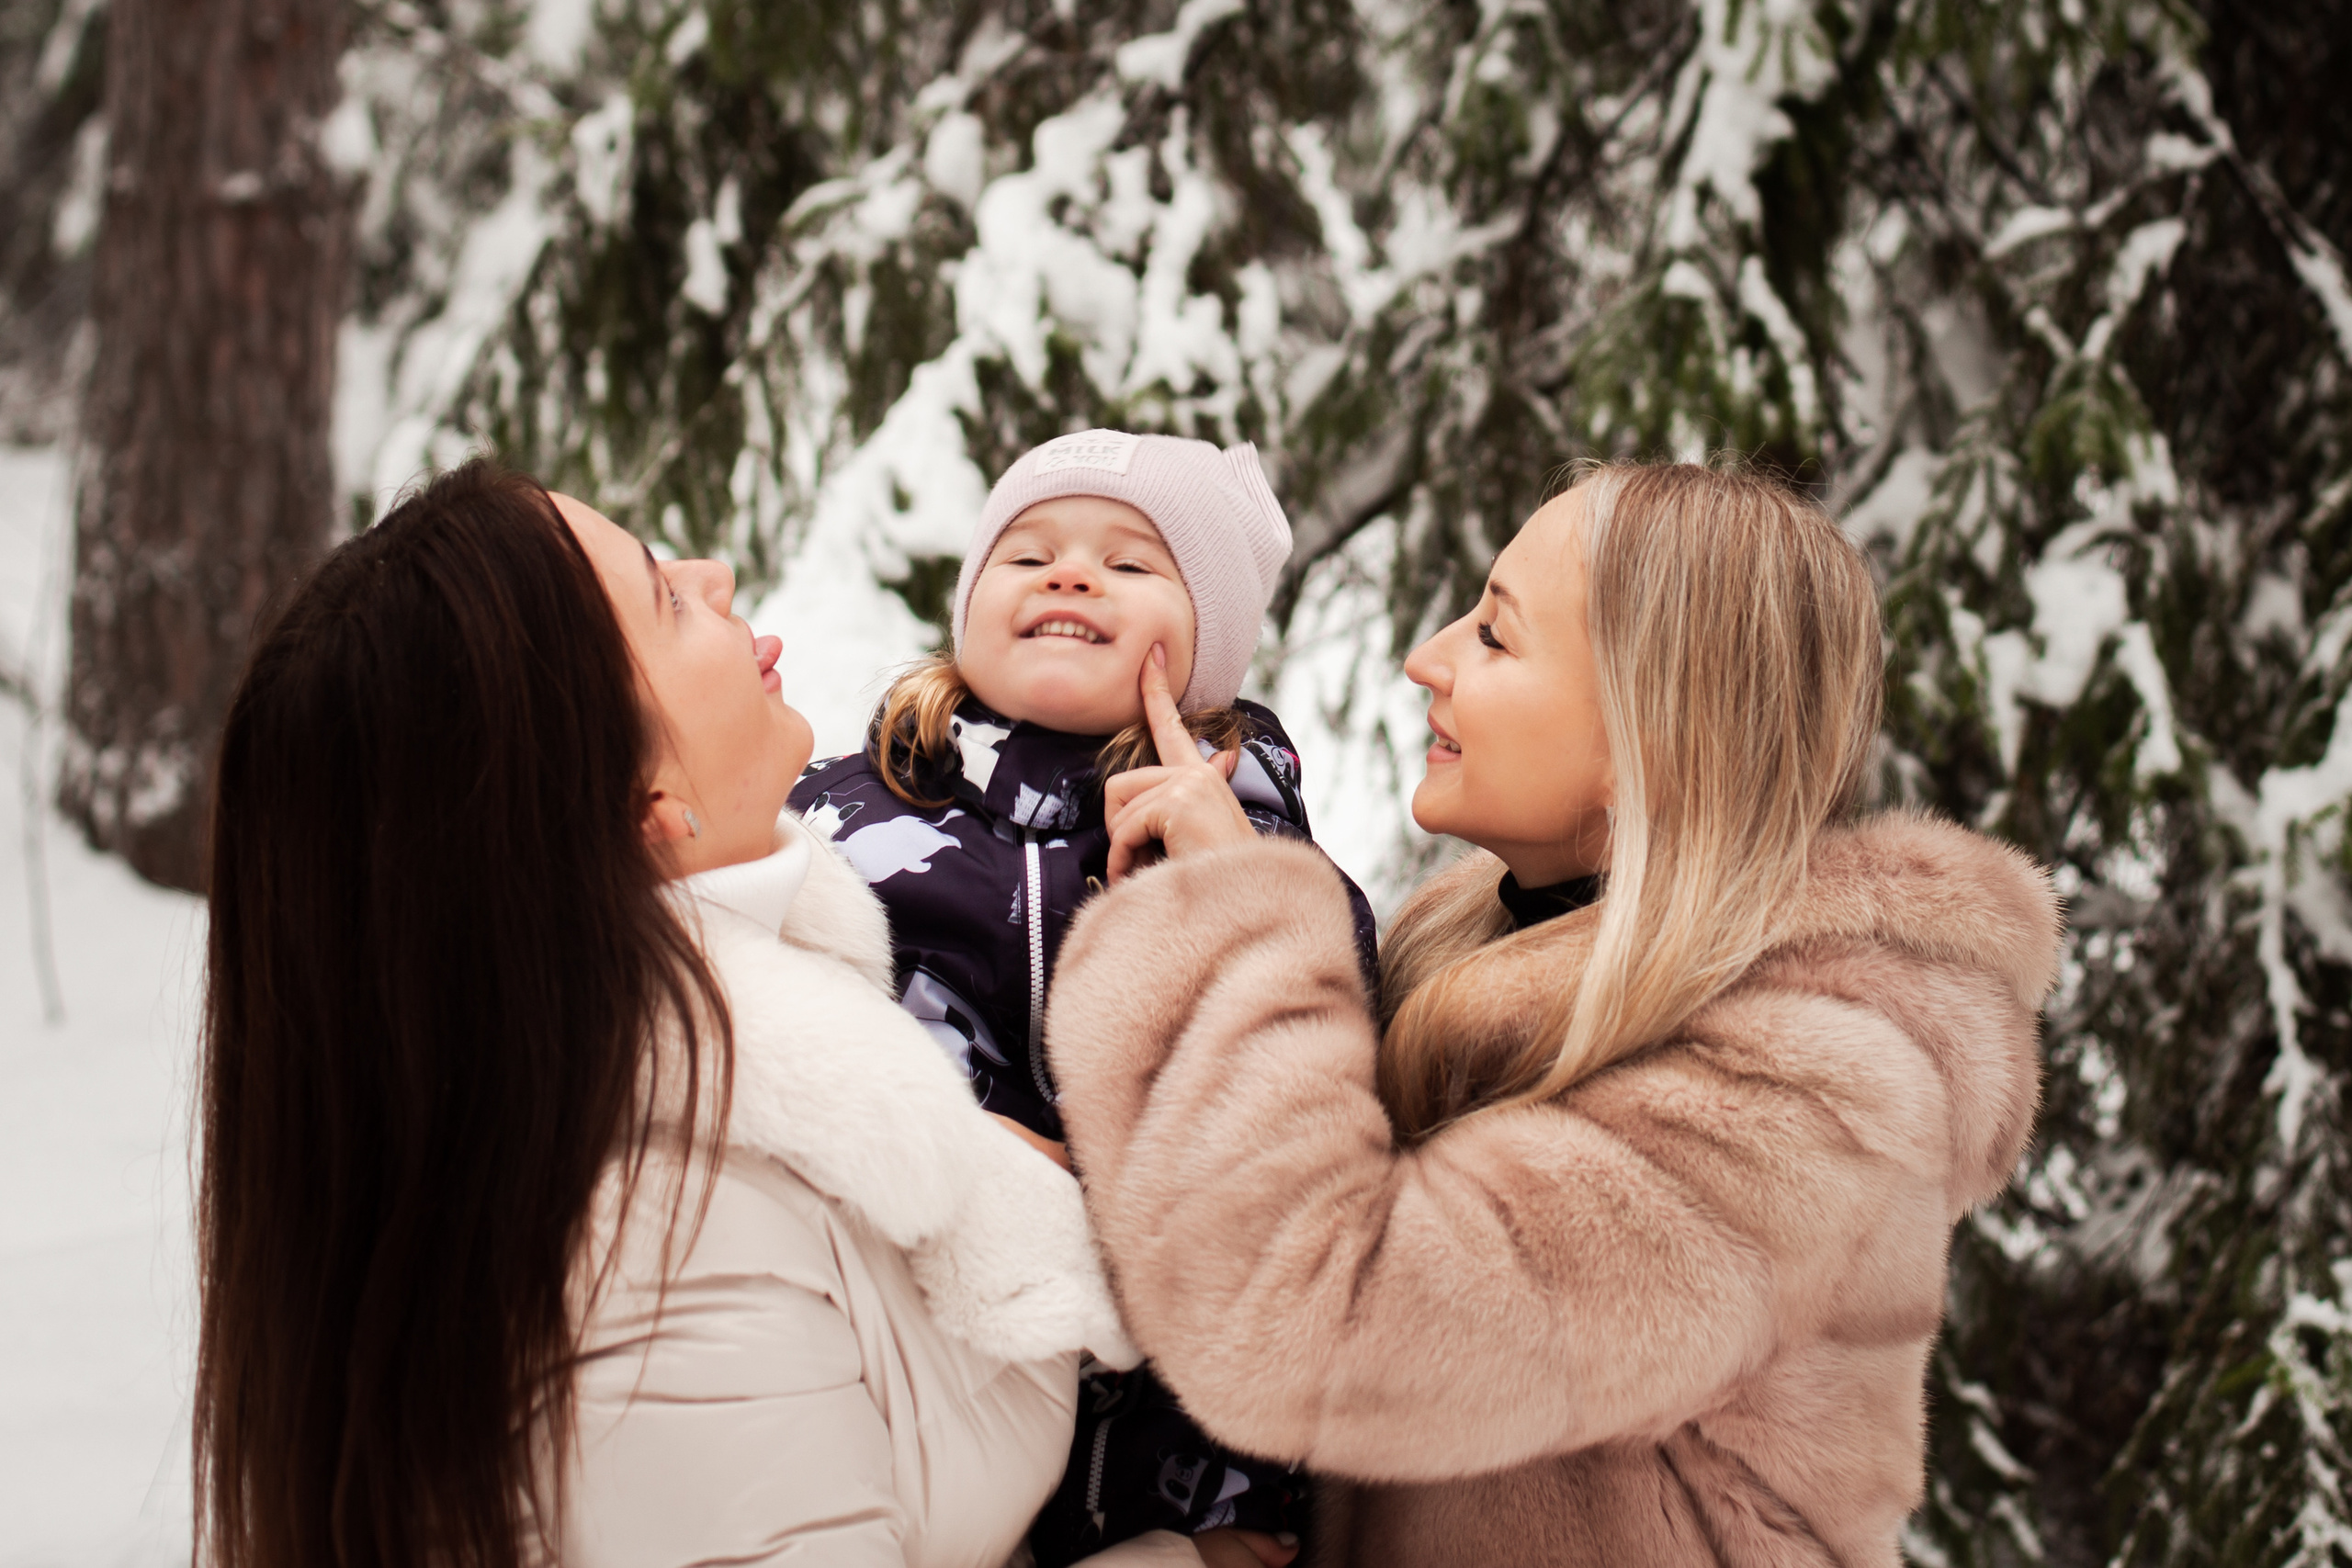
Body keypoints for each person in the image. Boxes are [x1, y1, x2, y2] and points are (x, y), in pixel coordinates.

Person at [1043, 461, 2063, 1566]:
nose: (1423, 656)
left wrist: (1231, 927)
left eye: (1493, 635)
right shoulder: (1480, 968)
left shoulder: (1812, 1091)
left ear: (1651, 738)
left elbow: (1319, 1324)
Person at [192, 460, 1176, 1568]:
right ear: (641, 800)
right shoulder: (662, 1242)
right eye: (663, 594)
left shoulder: (742, 1080)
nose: (714, 575)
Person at [789, 429, 1369, 1568]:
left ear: (1212, 651)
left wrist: (1239, 889)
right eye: (1029, 553)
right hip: (920, 1414)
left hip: (1178, 1481)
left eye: (1131, 562)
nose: (1070, 574)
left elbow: (1344, 1043)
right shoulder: (845, 815)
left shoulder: (1256, 845)